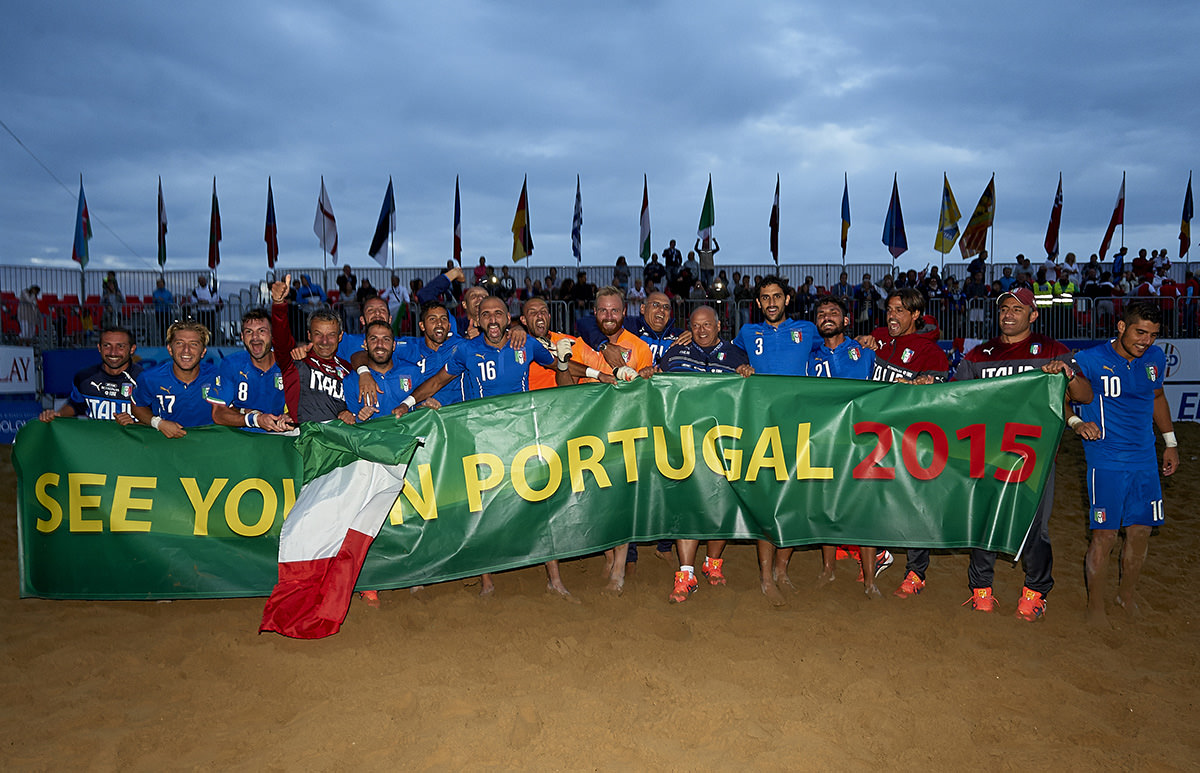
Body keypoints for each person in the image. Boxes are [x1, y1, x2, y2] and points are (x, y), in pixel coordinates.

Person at [395, 296, 571, 596]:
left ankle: (555, 579)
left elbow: (561, 365)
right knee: (481, 508)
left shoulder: (525, 343)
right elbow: (437, 381)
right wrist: (407, 402)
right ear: (476, 320)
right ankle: (486, 581)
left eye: (498, 314)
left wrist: (603, 375)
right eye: (485, 314)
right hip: (483, 440)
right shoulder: (465, 349)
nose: (492, 319)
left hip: (522, 437)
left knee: (540, 504)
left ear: (508, 318)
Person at [955, 288, 1093, 620]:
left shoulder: (1051, 351)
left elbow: (1084, 395)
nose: (1008, 314)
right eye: (1004, 308)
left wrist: (1067, 373)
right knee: (983, 521)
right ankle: (981, 589)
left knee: (1035, 528)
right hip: (987, 454)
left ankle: (1035, 591)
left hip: (1036, 457)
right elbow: (955, 399)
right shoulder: (979, 355)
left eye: (1018, 309)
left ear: (1033, 315)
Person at [1068, 301, 1178, 626]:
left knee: (1141, 531)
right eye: (1140, 332)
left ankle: (1126, 596)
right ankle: (1095, 605)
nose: (1146, 341)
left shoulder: (1155, 359)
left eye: (1153, 335)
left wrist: (1170, 443)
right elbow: (1061, 399)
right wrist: (1076, 422)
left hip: (1145, 458)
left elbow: (1157, 396)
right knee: (1105, 535)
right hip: (1106, 459)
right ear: (1121, 327)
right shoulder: (1089, 360)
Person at [782, 296, 893, 596]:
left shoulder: (865, 351)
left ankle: (870, 580)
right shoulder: (809, 356)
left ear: (847, 321)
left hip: (860, 441)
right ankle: (828, 570)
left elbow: (891, 387)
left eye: (834, 313)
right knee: (826, 506)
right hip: (822, 440)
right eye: (821, 313)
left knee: (864, 510)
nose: (826, 317)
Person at [731, 275, 823, 605]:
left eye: (777, 296)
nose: (771, 302)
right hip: (761, 427)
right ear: (757, 303)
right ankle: (766, 577)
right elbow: (726, 357)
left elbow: (838, 346)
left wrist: (870, 342)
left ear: (787, 299)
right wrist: (740, 365)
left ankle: (783, 570)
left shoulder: (807, 331)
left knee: (793, 503)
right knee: (767, 502)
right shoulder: (746, 333)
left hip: (798, 427)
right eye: (765, 297)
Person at [857, 288, 949, 597]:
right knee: (873, 500)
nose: (892, 316)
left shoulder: (931, 352)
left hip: (912, 439)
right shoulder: (880, 337)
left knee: (913, 504)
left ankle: (916, 572)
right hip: (876, 435)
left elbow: (939, 394)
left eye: (900, 310)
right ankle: (880, 553)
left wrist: (924, 384)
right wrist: (863, 342)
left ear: (915, 315)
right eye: (890, 310)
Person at [658, 305, 751, 603]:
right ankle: (686, 572)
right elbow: (657, 382)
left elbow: (749, 396)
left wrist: (747, 377)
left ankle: (713, 563)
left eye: (707, 325)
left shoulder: (737, 355)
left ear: (719, 325)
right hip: (683, 443)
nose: (701, 330)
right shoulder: (675, 352)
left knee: (719, 505)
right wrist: (651, 374)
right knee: (686, 506)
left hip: (724, 444)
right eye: (695, 325)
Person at [269, 274, 354, 424]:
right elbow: (281, 341)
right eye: (318, 334)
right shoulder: (296, 360)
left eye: (331, 335)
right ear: (309, 335)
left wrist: (349, 413)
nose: (325, 341)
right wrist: (278, 304)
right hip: (302, 440)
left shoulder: (348, 369)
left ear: (340, 336)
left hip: (337, 441)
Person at [207, 309, 292, 433]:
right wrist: (254, 420)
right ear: (242, 336)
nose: (255, 337)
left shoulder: (289, 365)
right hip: (244, 440)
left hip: (280, 438)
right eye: (249, 332)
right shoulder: (231, 364)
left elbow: (305, 405)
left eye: (261, 331)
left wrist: (289, 416)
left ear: (273, 335)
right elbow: (218, 413)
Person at [131, 321, 217, 437]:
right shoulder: (150, 378)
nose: (186, 350)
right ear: (170, 349)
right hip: (167, 446)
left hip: (209, 444)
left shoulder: (218, 376)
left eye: (194, 344)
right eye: (179, 343)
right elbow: (137, 406)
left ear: (203, 352)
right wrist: (158, 423)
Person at [39, 326, 141, 424]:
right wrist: (56, 415)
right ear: (99, 348)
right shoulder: (84, 378)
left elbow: (155, 420)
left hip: (132, 441)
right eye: (107, 345)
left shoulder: (144, 380)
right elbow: (76, 405)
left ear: (132, 349)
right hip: (97, 441)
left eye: (120, 346)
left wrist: (135, 424)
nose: (113, 352)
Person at [190, 275, 222, 344]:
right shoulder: (196, 290)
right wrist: (199, 302)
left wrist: (207, 301)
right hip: (201, 312)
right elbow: (193, 299)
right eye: (200, 281)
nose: (202, 282)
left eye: (203, 280)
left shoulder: (212, 289)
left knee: (211, 328)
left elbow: (216, 298)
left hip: (210, 311)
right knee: (201, 328)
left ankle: (212, 342)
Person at [152, 278, 174, 343]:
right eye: (158, 284)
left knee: (168, 325)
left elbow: (171, 302)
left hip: (167, 311)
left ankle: (168, 339)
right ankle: (162, 340)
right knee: (160, 326)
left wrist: (164, 300)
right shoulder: (155, 292)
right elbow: (153, 301)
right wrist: (155, 300)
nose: (160, 285)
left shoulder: (168, 293)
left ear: (164, 284)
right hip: (159, 311)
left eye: (161, 284)